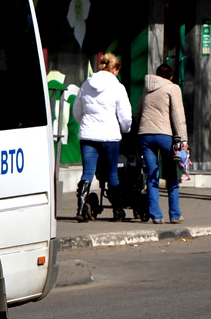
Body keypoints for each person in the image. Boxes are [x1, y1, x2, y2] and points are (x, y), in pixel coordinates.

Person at [73, 52, 132, 221]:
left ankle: (80, 208)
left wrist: (86, 124)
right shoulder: (117, 87)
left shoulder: (86, 84)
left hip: (88, 136)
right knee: (112, 174)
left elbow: (77, 110)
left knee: (88, 172)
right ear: (114, 69)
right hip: (109, 137)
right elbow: (125, 116)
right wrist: (125, 129)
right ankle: (118, 210)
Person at [136, 63, 187, 224]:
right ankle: (175, 213)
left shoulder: (147, 89)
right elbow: (178, 115)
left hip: (145, 135)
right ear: (170, 76)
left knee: (152, 174)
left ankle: (156, 216)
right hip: (165, 135)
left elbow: (138, 111)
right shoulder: (173, 88)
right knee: (171, 174)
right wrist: (183, 139)